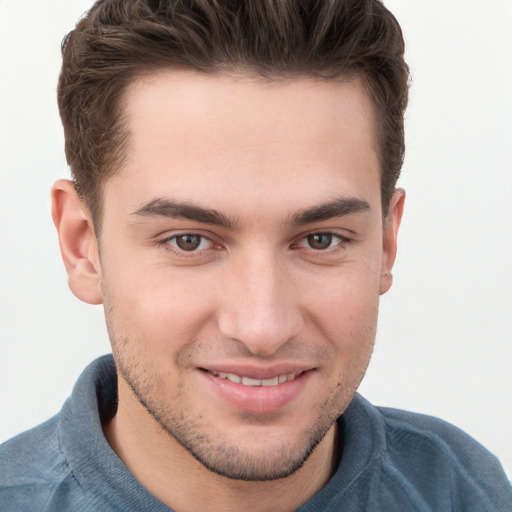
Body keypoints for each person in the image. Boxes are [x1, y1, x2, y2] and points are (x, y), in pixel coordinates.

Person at [0, 0, 511, 510]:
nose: (263, 328)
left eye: (320, 240)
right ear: (82, 245)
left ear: (385, 243)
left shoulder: (463, 490)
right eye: (189, 241)